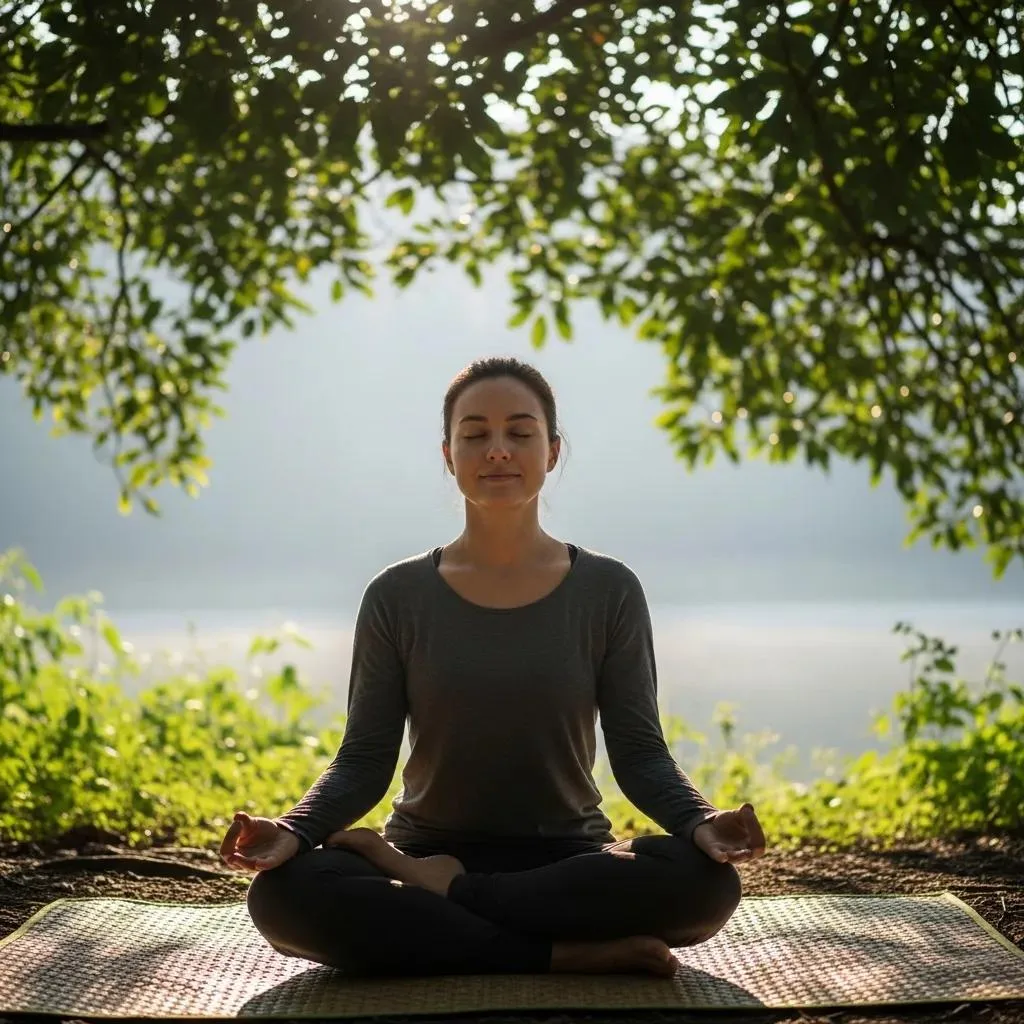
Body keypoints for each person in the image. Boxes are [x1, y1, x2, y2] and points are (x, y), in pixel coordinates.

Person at [220, 356, 767, 979]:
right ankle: (555, 954)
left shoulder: (609, 590)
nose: (498, 450)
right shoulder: (396, 597)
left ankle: (446, 902)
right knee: (285, 896)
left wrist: (699, 824)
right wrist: (294, 830)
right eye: (475, 434)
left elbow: (640, 754)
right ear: (449, 455)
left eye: (520, 432)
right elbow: (364, 760)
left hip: (566, 859)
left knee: (704, 885)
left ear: (553, 450)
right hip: (426, 845)